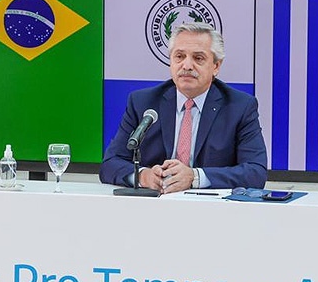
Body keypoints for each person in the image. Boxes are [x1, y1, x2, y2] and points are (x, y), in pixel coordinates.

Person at [100, 23, 268, 193]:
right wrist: (143, 176)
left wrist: (194, 177)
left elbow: (255, 172)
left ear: (216, 66)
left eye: (198, 58)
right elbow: (110, 163)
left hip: (210, 206)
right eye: (179, 56)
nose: (187, 66)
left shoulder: (239, 107)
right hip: (155, 204)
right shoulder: (143, 103)